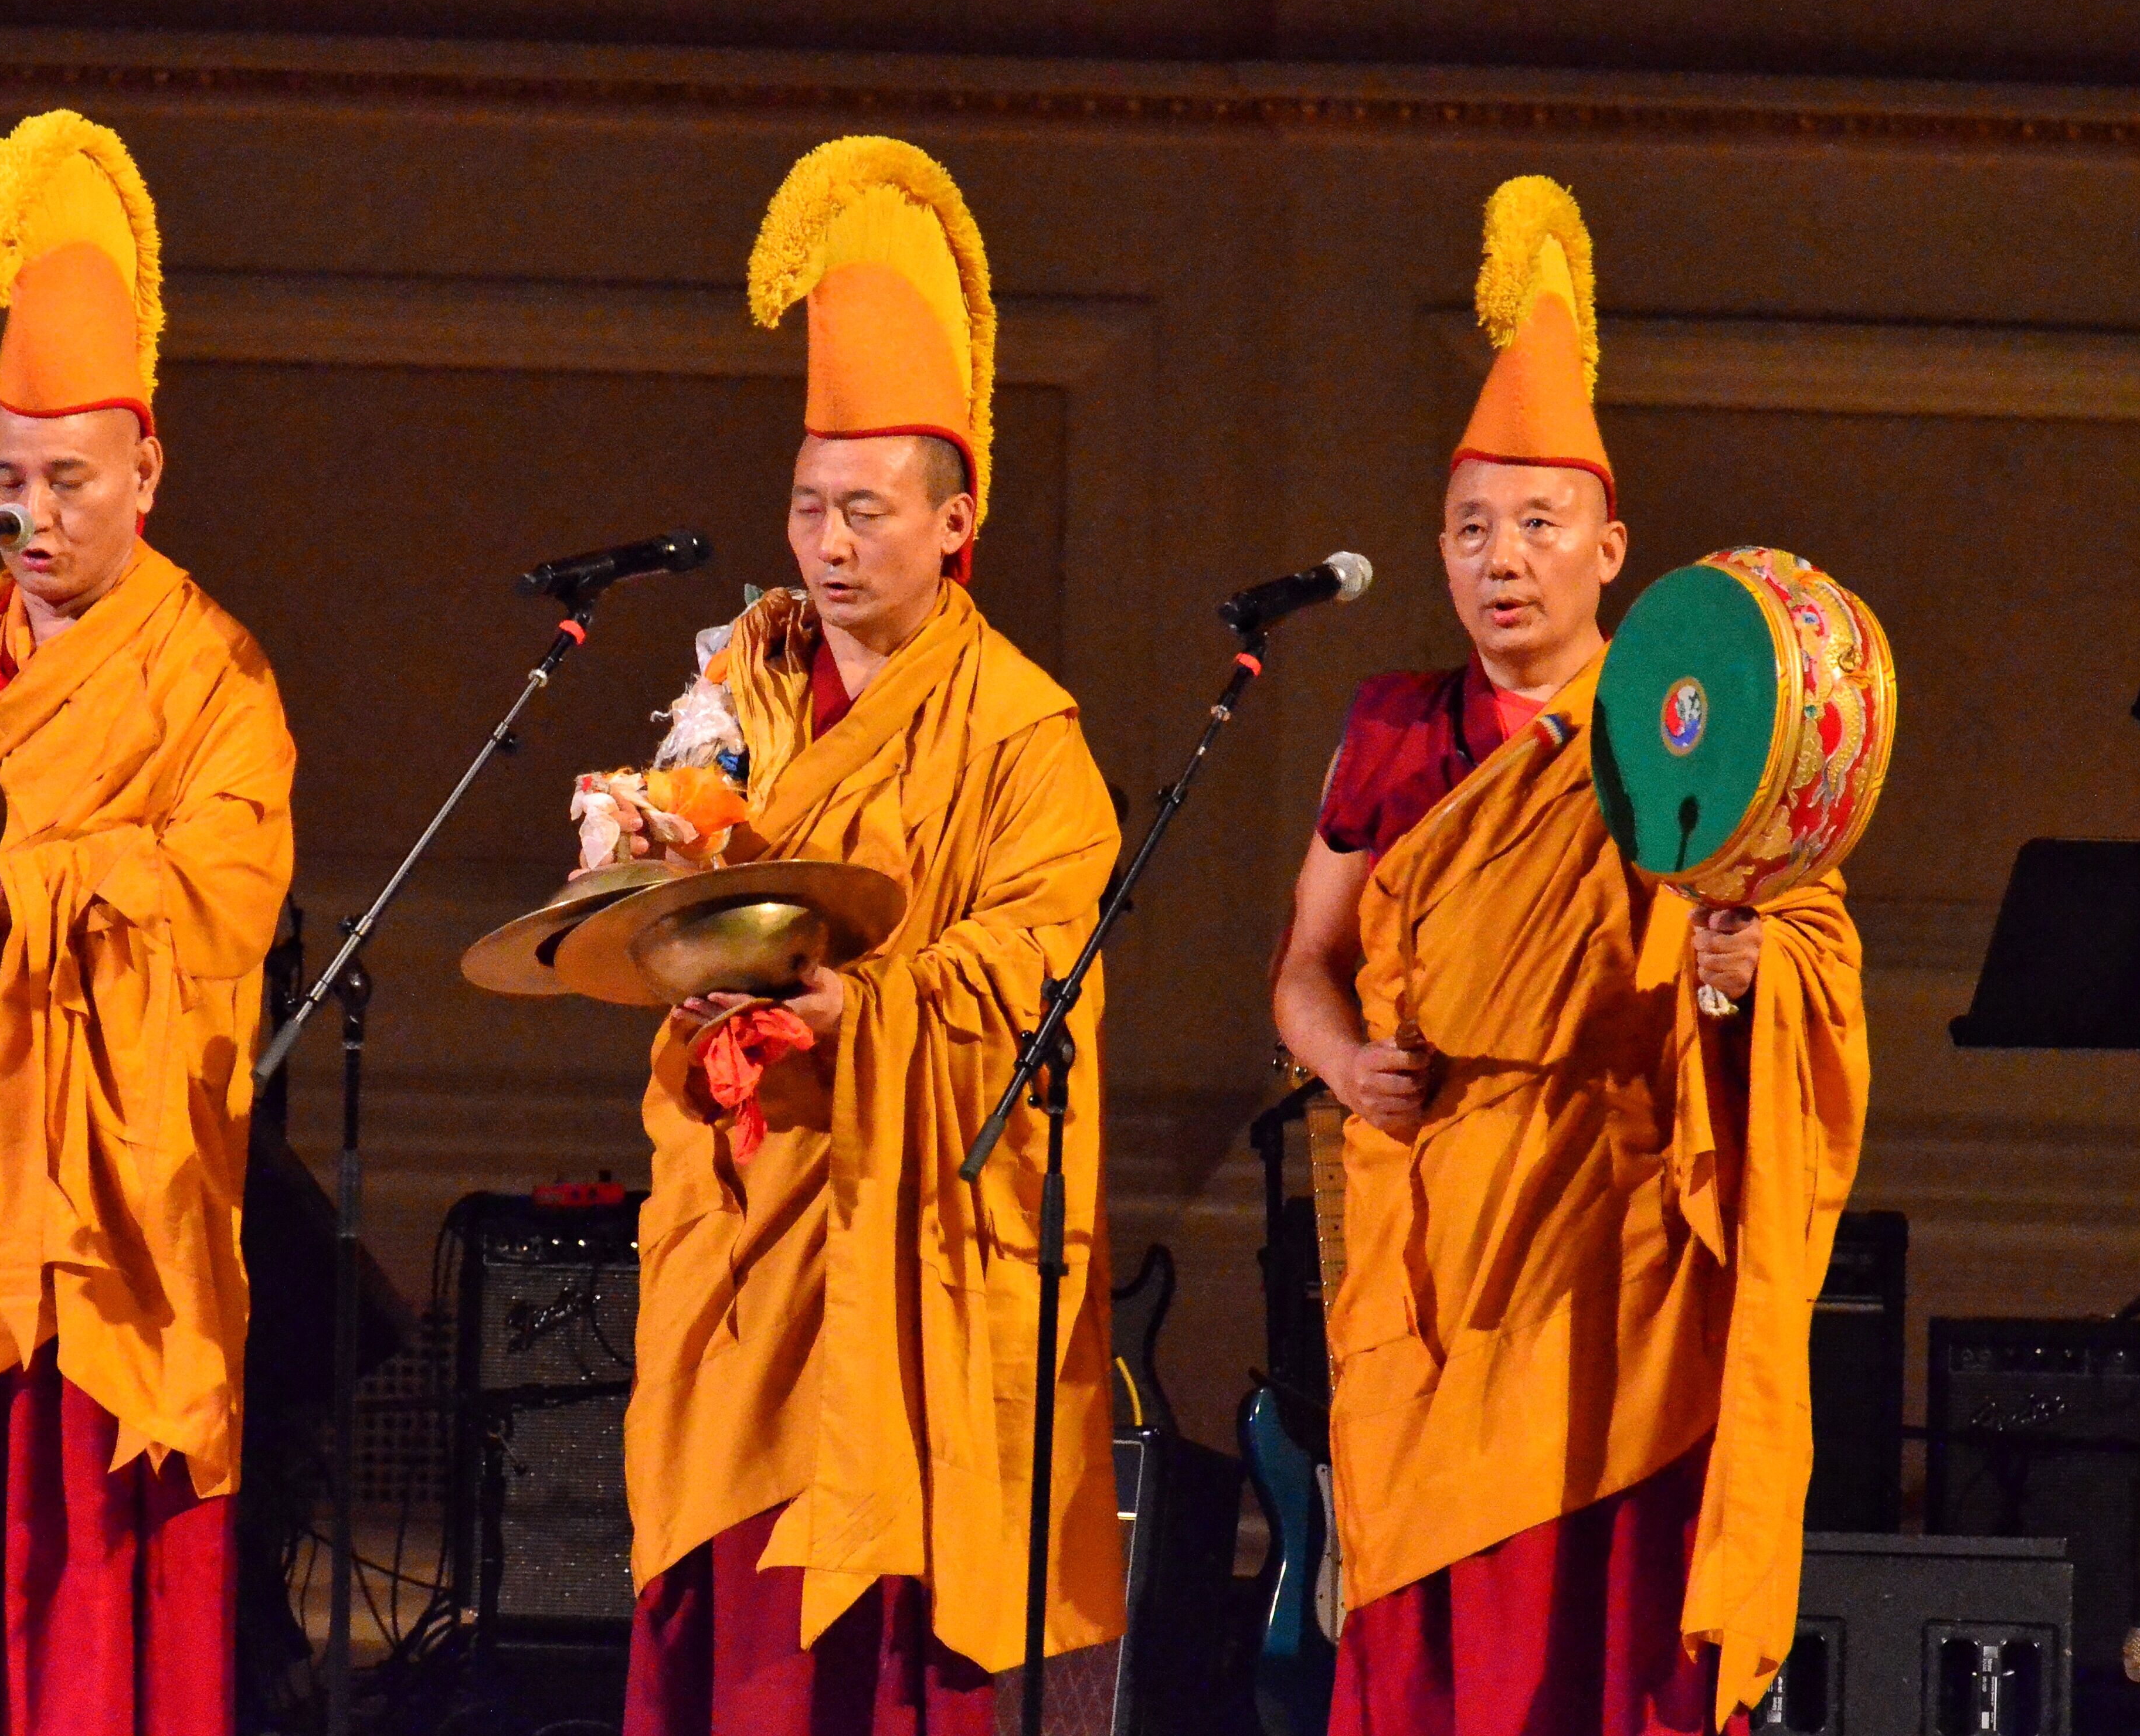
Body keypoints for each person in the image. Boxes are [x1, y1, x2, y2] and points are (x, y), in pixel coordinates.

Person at [1271, 177, 1869, 1734]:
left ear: (1612, 551)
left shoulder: (1687, 727)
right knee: (1431, 1650)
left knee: (1594, 1640)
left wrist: (1737, 973)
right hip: (1433, 1228)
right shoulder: (1396, 733)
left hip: (1616, 1229)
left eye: (1539, 527)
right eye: (1471, 529)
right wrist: (1342, 1061)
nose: (1501, 560)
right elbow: (1303, 967)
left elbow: (1798, 929)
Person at [604, 135, 1127, 1734]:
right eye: (809, 508)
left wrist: (873, 1008)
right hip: (742, 1223)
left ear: (957, 520)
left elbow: (1042, 968)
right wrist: (635, 847)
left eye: (868, 514)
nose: (830, 547)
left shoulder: (1029, 738)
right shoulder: (737, 683)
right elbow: (678, 877)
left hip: (904, 1248)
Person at [0, 110, 297, 1736]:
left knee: (85, 1610)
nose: (34, 518)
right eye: (5, 483)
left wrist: (16, 892)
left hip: (109, 1226)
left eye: (70, 482)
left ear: (149, 470)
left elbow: (226, 899)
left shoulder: (211, 674)